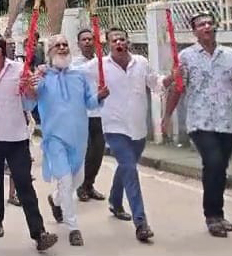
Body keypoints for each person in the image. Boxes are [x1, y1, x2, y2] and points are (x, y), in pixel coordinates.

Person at [0, 36, 58, 251]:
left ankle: (39, 233)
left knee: (24, 183)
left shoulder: (20, 69)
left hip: (16, 136)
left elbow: (30, 101)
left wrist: (28, 88)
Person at [23, 34, 107, 247]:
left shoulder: (79, 76)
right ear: (49, 52)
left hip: (79, 138)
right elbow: (28, 103)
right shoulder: (41, 76)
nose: (61, 48)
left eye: (64, 44)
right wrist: (30, 87)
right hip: (54, 139)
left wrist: (100, 96)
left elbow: (89, 103)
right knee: (66, 180)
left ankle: (57, 200)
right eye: (56, 45)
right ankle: (73, 227)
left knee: (76, 180)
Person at [82, 28, 159, 242]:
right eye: (114, 40)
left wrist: (171, 78)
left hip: (138, 128)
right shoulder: (99, 65)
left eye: (122, 39)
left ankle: (115, 202)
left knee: (126, 167)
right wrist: (47, 70)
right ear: (108, 44)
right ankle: (141, 222)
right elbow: (73, 72)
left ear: (128, 42)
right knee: (130, 169)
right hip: (114, 128)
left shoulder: (141, 62)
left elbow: (156, 83)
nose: (119, 42)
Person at [162, 12, 232, 237]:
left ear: (215, 27)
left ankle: (219, 214)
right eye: (200, 24)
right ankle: (211, 216)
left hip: (227, 120)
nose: (206, 27)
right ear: (194, 31)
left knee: (220, 167)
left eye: (209, 23)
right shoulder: (186, 57)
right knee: (212, 162)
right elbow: (177, 88)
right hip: (200, 121)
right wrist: (166, 116)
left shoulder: (230, 55)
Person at [71, 29, 106, 202]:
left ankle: (89, 184)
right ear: (78, 44)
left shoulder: (104, 62)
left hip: (101, 113)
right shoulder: (74, 65)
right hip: (83, 113)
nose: (87, 42)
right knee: (86, 152)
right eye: (83, 39)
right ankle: (80, 186)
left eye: (90, 39)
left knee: (98, 152)